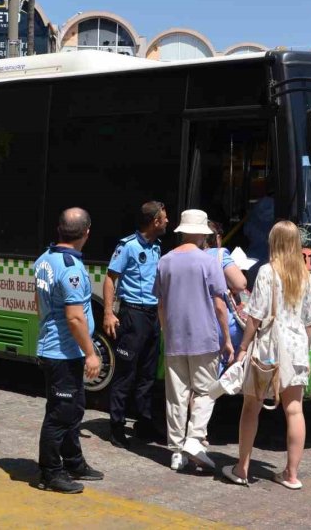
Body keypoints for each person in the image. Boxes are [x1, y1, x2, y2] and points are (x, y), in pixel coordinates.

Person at [221, 220, 311, 490]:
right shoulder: (306, 277)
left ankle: (242, 468)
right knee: (295, 409)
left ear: (274, 242)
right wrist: (305, 353)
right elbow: (310, 324)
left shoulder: (266, 272)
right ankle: (291, 474)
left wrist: (242, 348)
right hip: (297, 347)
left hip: (269, 348)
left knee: (251, 406)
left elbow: (255, 317)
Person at [154, 209, 234, 471]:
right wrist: (227, 339)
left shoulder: (165, 261)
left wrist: (167, 331)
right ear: (202, 234)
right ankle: (195, 438)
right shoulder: (208, 262)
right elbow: (220, 304)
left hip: (175, 337)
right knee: (206, 391)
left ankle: (176, 451)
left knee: (176, 396)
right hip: (204, 336)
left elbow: (161, 304)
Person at [34, 207, 103, 494]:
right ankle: (50, 473)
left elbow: (38, 303)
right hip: (63, 353)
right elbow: (75, 318)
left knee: (73, 409)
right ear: (86, 233)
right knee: (61, 413)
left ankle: (73, 461)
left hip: (59, 350)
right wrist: (91, 353)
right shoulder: (70, 268)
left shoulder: (44, 259)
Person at [103, 201, 169, 447]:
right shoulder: (128, 246)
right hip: (133, 314)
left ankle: (144, 423)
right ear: (154, 222)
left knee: (148, 373)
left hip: (152, 315)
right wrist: (109, 313)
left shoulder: (157, 247)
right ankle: (116, 426)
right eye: (164, 218)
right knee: (126, 372)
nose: (167, 222)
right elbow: (111, 279)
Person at [204, 220, 248, 373]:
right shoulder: (219, 254)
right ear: (216, 238)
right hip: (220, 328)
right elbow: (240, 283)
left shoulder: (180, 256)